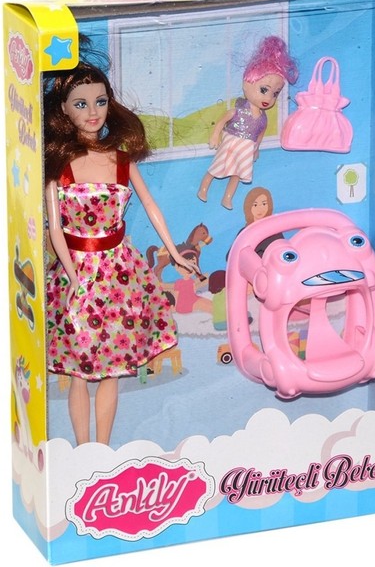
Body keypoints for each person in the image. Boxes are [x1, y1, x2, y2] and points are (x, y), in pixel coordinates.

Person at [44, 61, 196, 446]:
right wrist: (72, 276)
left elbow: (151, 206)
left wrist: (175, 253)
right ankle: (83, 447)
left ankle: (101, 447)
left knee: (111, 365)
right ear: (63, 109)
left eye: (100, 101)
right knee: (79, 370)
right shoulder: (59, 165)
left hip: (117, 273)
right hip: (76, 272)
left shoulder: (121, 160)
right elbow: (56, 228)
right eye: (81, 104)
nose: (93, 112)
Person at [197, 36, 297, 209]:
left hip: (247, 147)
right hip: (231, 141)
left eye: (275, 94)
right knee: (217, 166)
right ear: (247, 83)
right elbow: (222, 120)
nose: (268, 98)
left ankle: (228, 197)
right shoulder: (239, 109)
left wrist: (256, 148)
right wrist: (215, 134)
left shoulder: (263, 118)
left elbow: (260, 134)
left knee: (238, 172)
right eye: (264, 90)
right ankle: (203, 188)